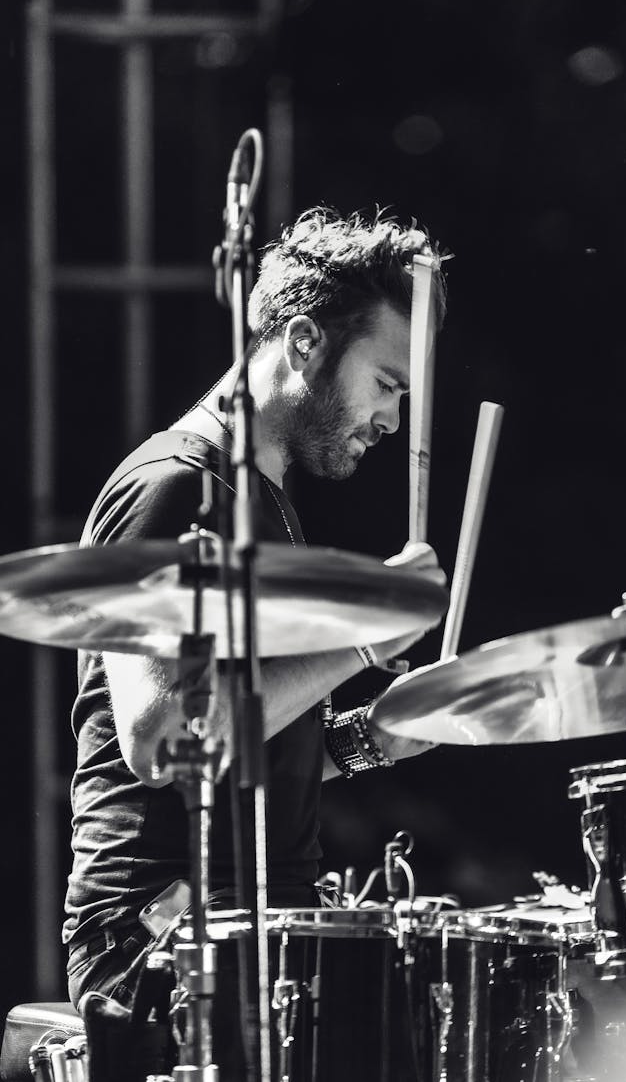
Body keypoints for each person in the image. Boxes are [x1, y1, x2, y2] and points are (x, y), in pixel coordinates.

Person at [62, 206, 448, 1066]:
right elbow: (163, 739)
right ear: (305, 339)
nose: (392, 420)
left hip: (257, 927)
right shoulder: (175, 488)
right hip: (161, 938)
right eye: (386, 383)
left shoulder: (265, 505)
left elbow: (248, 745)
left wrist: (366, 741)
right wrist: (360, 636)